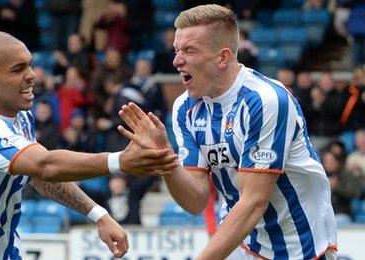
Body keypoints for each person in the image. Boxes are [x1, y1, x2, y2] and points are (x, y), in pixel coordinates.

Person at [0, 30, 177, 259]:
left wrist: (97, 214)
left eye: (30, 64)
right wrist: (120, 162)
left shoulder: (18, 115)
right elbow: (45, 165)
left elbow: (36, 173)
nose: (32, 75)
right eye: (18, 69)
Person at [116, 5, 337, 259]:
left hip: (301, 247)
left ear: (222, 57)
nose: (176, 60)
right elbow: (196, 201)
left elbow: (254, 202)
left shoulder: (265, 100)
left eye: (189, 50)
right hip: (242, 242)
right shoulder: (184, 108)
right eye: (177, 50)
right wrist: (165, 158)